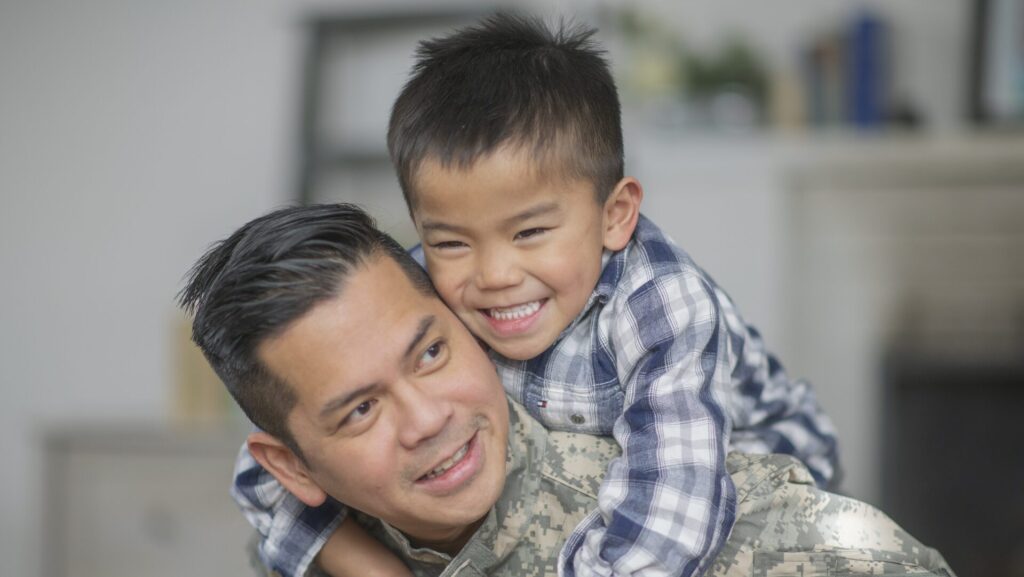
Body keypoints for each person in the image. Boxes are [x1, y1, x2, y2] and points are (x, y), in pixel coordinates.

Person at [234, 13, 842, 577]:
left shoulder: (661, 305)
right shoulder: (423, 291)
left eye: (529, 233)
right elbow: (271, 474)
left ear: (615, 215)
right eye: (450, 242)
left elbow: (670, 520)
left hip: (753, 469)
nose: (493, 274)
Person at [180, 204, 954, 577]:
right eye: (360, 409)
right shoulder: (322, 543)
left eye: (431, 353)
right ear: (293, 466)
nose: (430, 418)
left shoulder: (727, 531)